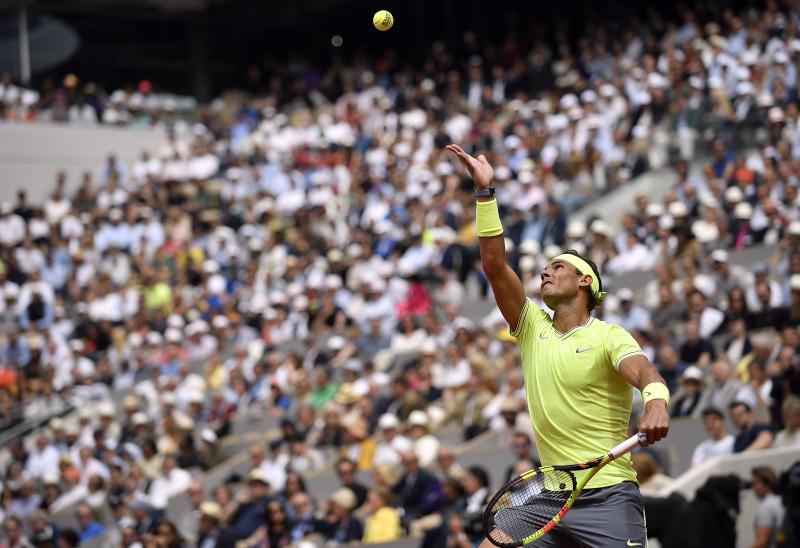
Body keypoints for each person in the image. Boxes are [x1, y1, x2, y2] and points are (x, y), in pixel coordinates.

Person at [447, 143, 669, 548]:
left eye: (559, 266)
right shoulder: (532, 325)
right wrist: (485, 194)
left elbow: (645, 372)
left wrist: (654, 403)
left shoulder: (609, 335)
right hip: (550, 495)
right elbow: (495, 266)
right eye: (546, 268)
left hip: (609, 494)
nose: (546, 271)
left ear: (585, 282)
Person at [750, 466, 786, 548]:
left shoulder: (766, 507)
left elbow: (762, 542)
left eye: (756, 483)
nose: (754, 488)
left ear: (768, 482)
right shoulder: (781, 500)